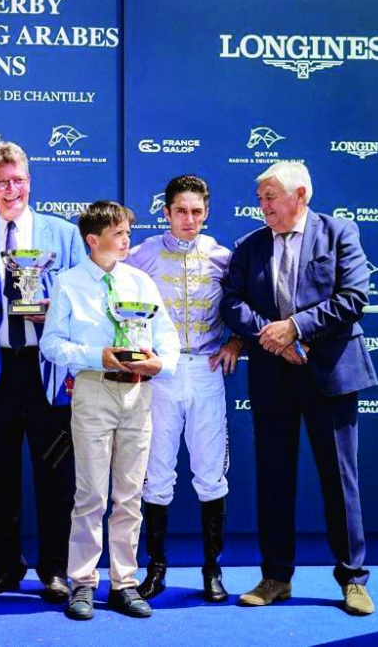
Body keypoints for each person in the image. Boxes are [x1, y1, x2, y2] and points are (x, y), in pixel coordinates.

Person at [220, 161, 377, 615]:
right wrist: (272, 333)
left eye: (271, 197)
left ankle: (353, 579)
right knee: (273, 478)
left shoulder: (339, 232)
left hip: (330, 375)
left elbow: (354, 298)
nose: (262, 205)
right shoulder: (249, 246)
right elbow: (231, 301)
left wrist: (295, 328)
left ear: (300, 195)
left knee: (339, 479)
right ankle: (275, 577)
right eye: (260, 198)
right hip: (273, 376)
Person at [0, 141, 83, 603]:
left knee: (56, 474)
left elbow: (84, 306)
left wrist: (55, 313)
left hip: (47, 372)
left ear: (30, 182)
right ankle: (6, 566)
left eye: (20, 181)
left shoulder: (64, 234)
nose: (13, 190)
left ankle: (55, 569)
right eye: (3, 182)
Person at [41, 201, 179, 621]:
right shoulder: (67, 283)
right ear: (93, 239)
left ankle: (124, 583)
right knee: (90, 495)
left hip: (138, 395)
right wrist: (97, 356)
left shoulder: (140, 281)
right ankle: (82, 582)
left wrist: (161, 363)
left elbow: (166, 336)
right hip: (93, 392)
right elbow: (51, 344)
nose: (126, 240)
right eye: (118, 233)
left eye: (127, 233)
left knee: (129, 497)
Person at [124, 175, 243, 603]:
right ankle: (155, 570)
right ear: (166, 212)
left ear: (206, 212)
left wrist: (236, 341)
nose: (188, 219)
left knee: (211, 474)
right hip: (161, 376)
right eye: (180, 211)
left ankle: (213, 571)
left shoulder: (223, 258)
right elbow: (115, 303)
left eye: (196, 211)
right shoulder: (141, 255)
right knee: (155, 476)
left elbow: (247, 304)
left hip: (208, 371)